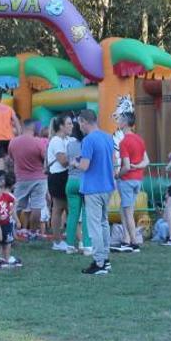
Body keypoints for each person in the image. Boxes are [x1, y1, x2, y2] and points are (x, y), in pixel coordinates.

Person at [76, 109, 116, 275]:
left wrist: (74, 163)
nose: (79, 127)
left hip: (93, 188)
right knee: (103, 222)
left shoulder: (88, 140)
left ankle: (99, 262)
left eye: (80, 123)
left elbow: (84, 166)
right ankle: (105, 259)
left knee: (94, 226)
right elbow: (114, 161)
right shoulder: (107, 137)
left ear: (85, 122)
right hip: (107, 186)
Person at [114, 111, 149, 252]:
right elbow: (146, 161)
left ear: (124, 123)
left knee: (128, 212)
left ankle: (133, 243)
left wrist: (117, 175)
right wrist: (137, 166)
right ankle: (126, 239)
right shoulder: (139, 139)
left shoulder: (124, 142)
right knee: (125, 208)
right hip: (137, 180)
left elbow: (126, 166)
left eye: (120, 120)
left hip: (127, 180)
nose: (118, 122)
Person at [8, 119, 48, 233]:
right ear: (33, 128)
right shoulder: (38, 142)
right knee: (37, 207)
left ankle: (12, 230)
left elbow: (12, 158)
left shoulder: (13, 142)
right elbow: (45, 158)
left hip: (21, 178)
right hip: (39, 178)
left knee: (17, 206)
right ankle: (33, 232)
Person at [47, 114, 73, 252]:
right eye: (69, 123)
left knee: (64, 208)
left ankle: (64, 237)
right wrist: (76, 158)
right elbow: (63, 161)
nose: (72, 126)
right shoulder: (56, 141)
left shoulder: (67, 139)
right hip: (58, 176)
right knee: (59, 208)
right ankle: (57, 240)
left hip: (63, 175)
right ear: (61, 126)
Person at [65, 121, 92, 255]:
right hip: (85, 181)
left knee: (72, 215)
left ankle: (69, 245)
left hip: (71, 181)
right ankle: (87, 245)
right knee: (87, 214)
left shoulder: (69, 145)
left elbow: (67, 161)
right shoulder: (87, 144)